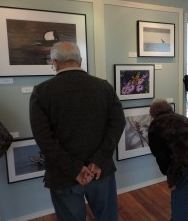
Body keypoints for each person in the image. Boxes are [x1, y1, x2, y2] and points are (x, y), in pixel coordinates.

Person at [29, 41, 126, 221]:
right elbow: (118, 124)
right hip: (100, 171)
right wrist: (98, 160)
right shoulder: (104, 87)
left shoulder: (42, 92)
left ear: (55, 63)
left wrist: (74, 169)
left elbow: (44, 139)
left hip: (64, 175)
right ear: (80, 61)